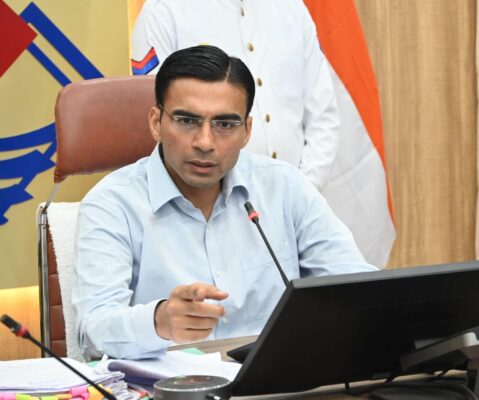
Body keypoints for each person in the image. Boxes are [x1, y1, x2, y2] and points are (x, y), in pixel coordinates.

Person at [72, 45, 376, 360]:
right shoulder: (111, 204)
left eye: (225, 124)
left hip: (276, 375)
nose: (205, 142)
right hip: (173, 382)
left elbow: (357, 289)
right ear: (156, 122)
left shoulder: (285, 187)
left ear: (247, 131)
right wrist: (159, 321)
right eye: (187, 120)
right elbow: (93, 332)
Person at [130, 0, 339, 191]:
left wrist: (301, 193)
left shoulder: (291, 8)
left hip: (296, 196)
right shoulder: (163, 11)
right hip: (205, 205)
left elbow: (323, 117)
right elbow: (163, 121)